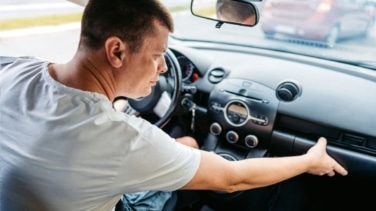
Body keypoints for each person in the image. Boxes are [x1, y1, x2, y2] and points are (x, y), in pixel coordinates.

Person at [0, 0, 348, 211]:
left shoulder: (15, 70)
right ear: (117, 51)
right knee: (183, 165)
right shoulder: (120, 139)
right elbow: (231, 179)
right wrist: (308, 160)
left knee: (187, 145)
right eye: (156, 57)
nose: (165, 69)